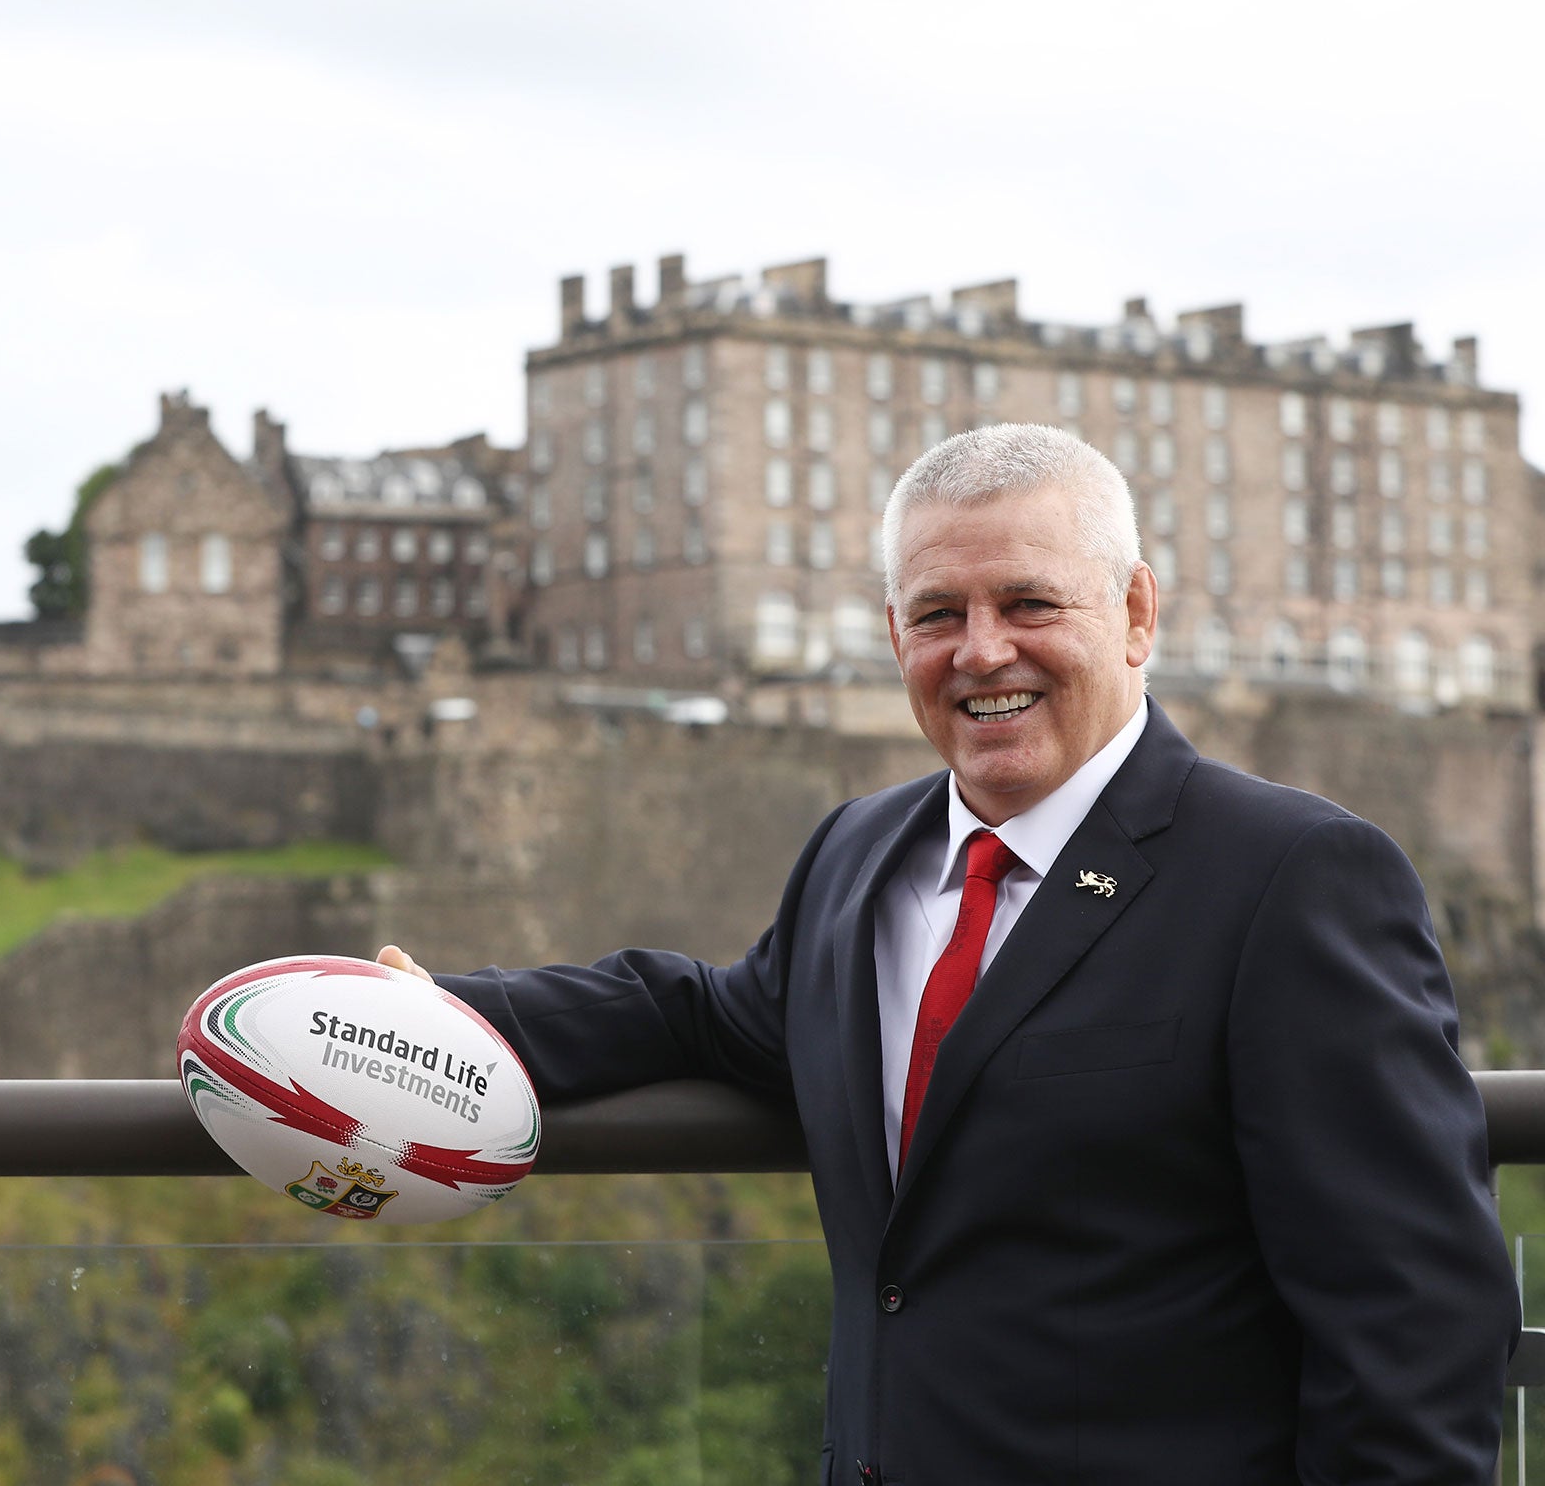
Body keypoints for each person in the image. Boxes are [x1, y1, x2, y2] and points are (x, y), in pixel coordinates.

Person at [378, 423, 1518, 1485]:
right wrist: (437, 1018)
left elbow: (1412, 1323)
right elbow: (713, 1017)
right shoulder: (858, 850)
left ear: (1132, 614)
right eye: (936, 615)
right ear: (892, 636)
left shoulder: (1292, 876)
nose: (981, 652)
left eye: (1028, 602)